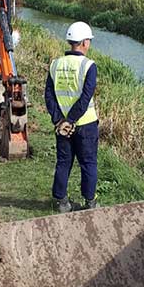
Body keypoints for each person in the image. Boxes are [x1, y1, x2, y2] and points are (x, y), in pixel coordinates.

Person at [44, 21, 99, 213]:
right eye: (88, 41)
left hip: (62, 125)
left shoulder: (55, 64)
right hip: (85, 124)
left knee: (64, 161)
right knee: (88, 162)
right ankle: (90, 202)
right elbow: (85, 98)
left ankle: (61, 202)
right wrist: (71, 120)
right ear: (84, 42)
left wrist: (59, 119)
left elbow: (48, 95)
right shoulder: (89, 66)